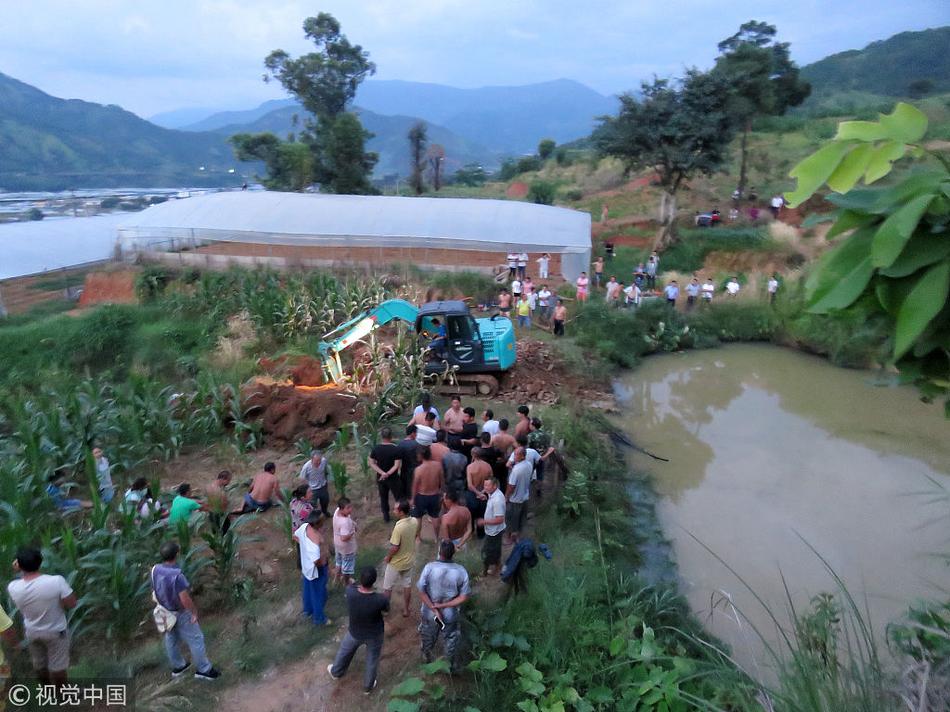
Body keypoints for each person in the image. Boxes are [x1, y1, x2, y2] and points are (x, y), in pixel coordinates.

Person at [151, 541, 221, 680]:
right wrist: (194, 612)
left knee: (171, 638)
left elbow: (154, 588)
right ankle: (204, 670)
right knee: (196, 639)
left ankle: (178, 667)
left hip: (165, 611)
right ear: (177, 554)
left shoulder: (155, 570)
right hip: (180, 612)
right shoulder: (177, 576)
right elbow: (184, 599)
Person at [7, 547, 77, 684]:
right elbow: (72, 603)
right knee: (58, 666)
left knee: (39, 664)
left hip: (32, 631)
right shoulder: (56, 581)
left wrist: (18, 568)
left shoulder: (13, 587)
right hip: (56, 630)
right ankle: (62, 692)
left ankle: (46, 689)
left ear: (18, 565)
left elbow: (21, 577)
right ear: (40, 562)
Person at [327, 566, 390, 695]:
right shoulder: (381, 599)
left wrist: (353, 582)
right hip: (374, 634)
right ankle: (368, 686)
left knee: (345, 651)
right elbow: (386, 612)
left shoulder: (350, 592)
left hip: (355, 631)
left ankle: (336, 672)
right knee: (372, 659)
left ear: (361, 580)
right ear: (374, 581)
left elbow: (352, 585)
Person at [417, 540, 470, 672]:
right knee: (450, 637)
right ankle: (448, 665)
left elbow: (421, 591)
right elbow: (464, 597)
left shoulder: (429, 568)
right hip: (449, 613)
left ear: (439, 552)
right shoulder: (461, 571)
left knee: (428, 634)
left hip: (430, 612)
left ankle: (426, 657)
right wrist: (444, 604)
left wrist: (434, 608)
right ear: (453, 553)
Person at [383, 500, 419, 617]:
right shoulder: (414, 521)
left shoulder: (399, 527)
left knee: (387, 587)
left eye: (395, 509)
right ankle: (406, 609)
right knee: (407, 585)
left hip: (396, 562)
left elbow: (395, 547)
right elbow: (415, 535)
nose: (393, 511)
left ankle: (385, 609)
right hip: (409, 560)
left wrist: (388, 557)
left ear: (402, 512)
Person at [295, 511, 330, 626]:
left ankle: (307, 610)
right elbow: (316, 560)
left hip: (306, 566)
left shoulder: (304, 527)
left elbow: (295, 536)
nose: (324, 522)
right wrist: (322, 564)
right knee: (318, 593)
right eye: (322, 521)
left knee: (307, 589)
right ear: (317, 523)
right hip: (316, 570)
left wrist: (304, 547)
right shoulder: (315, 540)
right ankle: (319, 619)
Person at [411, 446, 444, 542]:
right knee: (435, 517)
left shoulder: (418, 469)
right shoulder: (438, 465)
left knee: (418, 517)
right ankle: (436, 537)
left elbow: (415, 486)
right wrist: (442, 493)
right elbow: (442, 481)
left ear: (421, 455)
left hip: (422, 496)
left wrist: (412, 499)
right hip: (435, 495)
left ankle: (418, 538)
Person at [370, 427, 403, 522]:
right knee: (398, 497)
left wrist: (382, 473)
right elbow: (396, 465)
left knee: (383, 497)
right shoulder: (395, 449)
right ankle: (400, 514)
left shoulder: (376, 449)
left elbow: (372, 463)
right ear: (391, 436)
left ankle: (386, 516)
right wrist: (387, 473)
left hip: (381, 478)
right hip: (393, 478)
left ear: (381, 436)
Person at [477, 478, 506, 576]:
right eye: (484, 485)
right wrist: (485, 496)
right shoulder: (492, 493)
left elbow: (500, 519)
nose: (485, 488)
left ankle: (485, 571)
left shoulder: (497, 500)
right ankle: (498, 565)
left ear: (494, 486)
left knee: (486, 552)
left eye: (487, 485)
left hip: (494, 532)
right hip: (493, 530)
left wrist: (483, 521)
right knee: (495, 549)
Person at [505, 448, 532, 544]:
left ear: (523, 456)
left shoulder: (516, 470)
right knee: (521, 519)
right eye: (514, 454)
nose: (514, 456)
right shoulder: (529, 464)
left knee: (510, 519)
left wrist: (506, 496)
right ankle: (518, 537)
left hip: (515, 499)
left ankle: (509, 538)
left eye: (516, 455)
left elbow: (511, 486)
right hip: (525, 496)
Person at [465, 447, 492, 535]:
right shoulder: (488, 466)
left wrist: (478, 493)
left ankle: (471, 530)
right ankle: (481, 533)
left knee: (471, 514)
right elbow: (491, 481)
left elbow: (470, 485)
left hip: (473, 494)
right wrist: (482, 492)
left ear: (473, 455)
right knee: (483, 514)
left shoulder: (470, 467)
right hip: (484, 494)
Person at [527, 418, 555, 498]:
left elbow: (527, 449)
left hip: (532, 459)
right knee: (540, 475)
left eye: (530, 424)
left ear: (533, 426)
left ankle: (526, 490)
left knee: (529, 474)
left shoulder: (530, 436)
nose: (529, 425)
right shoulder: (546, 435)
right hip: (542, 457)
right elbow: (548, 447)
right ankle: (538, 490)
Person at [333, 498, 358, 585]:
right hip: (347, 548)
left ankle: (336, 579)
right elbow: (343, 538)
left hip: (337, 545)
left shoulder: (336, 512)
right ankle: (346, 582)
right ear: (341, 509)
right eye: (347, 508)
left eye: (350, 507)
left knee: (338, 562)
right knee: (347, 567)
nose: (350, 509)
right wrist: (353, 531)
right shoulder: (345, 522)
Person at [396, 425, 421, 499]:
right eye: (416, 433)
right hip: (415, 470)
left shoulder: (400, 444)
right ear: (412, 433)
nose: (416, 435)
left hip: (404, 470)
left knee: (405, 490)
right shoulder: (416, 444)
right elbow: (420, 459)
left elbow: (398, 460)